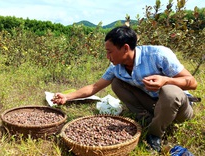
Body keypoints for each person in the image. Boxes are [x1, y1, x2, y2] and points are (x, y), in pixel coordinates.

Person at [52, 25, 197, 152]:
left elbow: (192, 82)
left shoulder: (158, 54)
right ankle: (146, 120)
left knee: (169, 91)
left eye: (110, 51)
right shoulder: (117, 67)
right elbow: (95, 87)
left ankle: (154, 135)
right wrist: (67, 97)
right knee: (116, 83)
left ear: (125, 48)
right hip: (154, 104)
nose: (108, 56)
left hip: (179, 109)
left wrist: (166, 80)